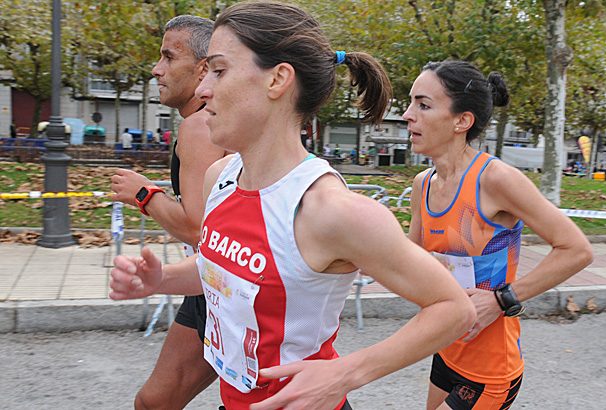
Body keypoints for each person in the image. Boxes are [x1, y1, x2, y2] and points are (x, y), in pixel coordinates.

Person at [109, 3, 475, 409]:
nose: (202, 89)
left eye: (219, 70)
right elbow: (234, 269)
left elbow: (453, 308)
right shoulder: (220, 177)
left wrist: (346, 372)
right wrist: (161, 279)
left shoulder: (330, 210)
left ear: (278, 79)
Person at [403, 60, 593, 409]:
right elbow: (409, 261)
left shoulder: (495, 179)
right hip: (446, 349)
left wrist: (501, 300)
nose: (407, 114)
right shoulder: (423, 184)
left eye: (423, 105)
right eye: (411, 102)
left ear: (462, 121)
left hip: (490, 367)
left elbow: (576, 249)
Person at [110, 15, 228, 409]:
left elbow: (200, 230)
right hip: (219, 280)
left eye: (168, 57)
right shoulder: (208, 124)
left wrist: (144, 194)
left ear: (202, 69)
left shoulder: (198, 127)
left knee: (153, 403)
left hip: (222, 284)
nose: (156, 69)